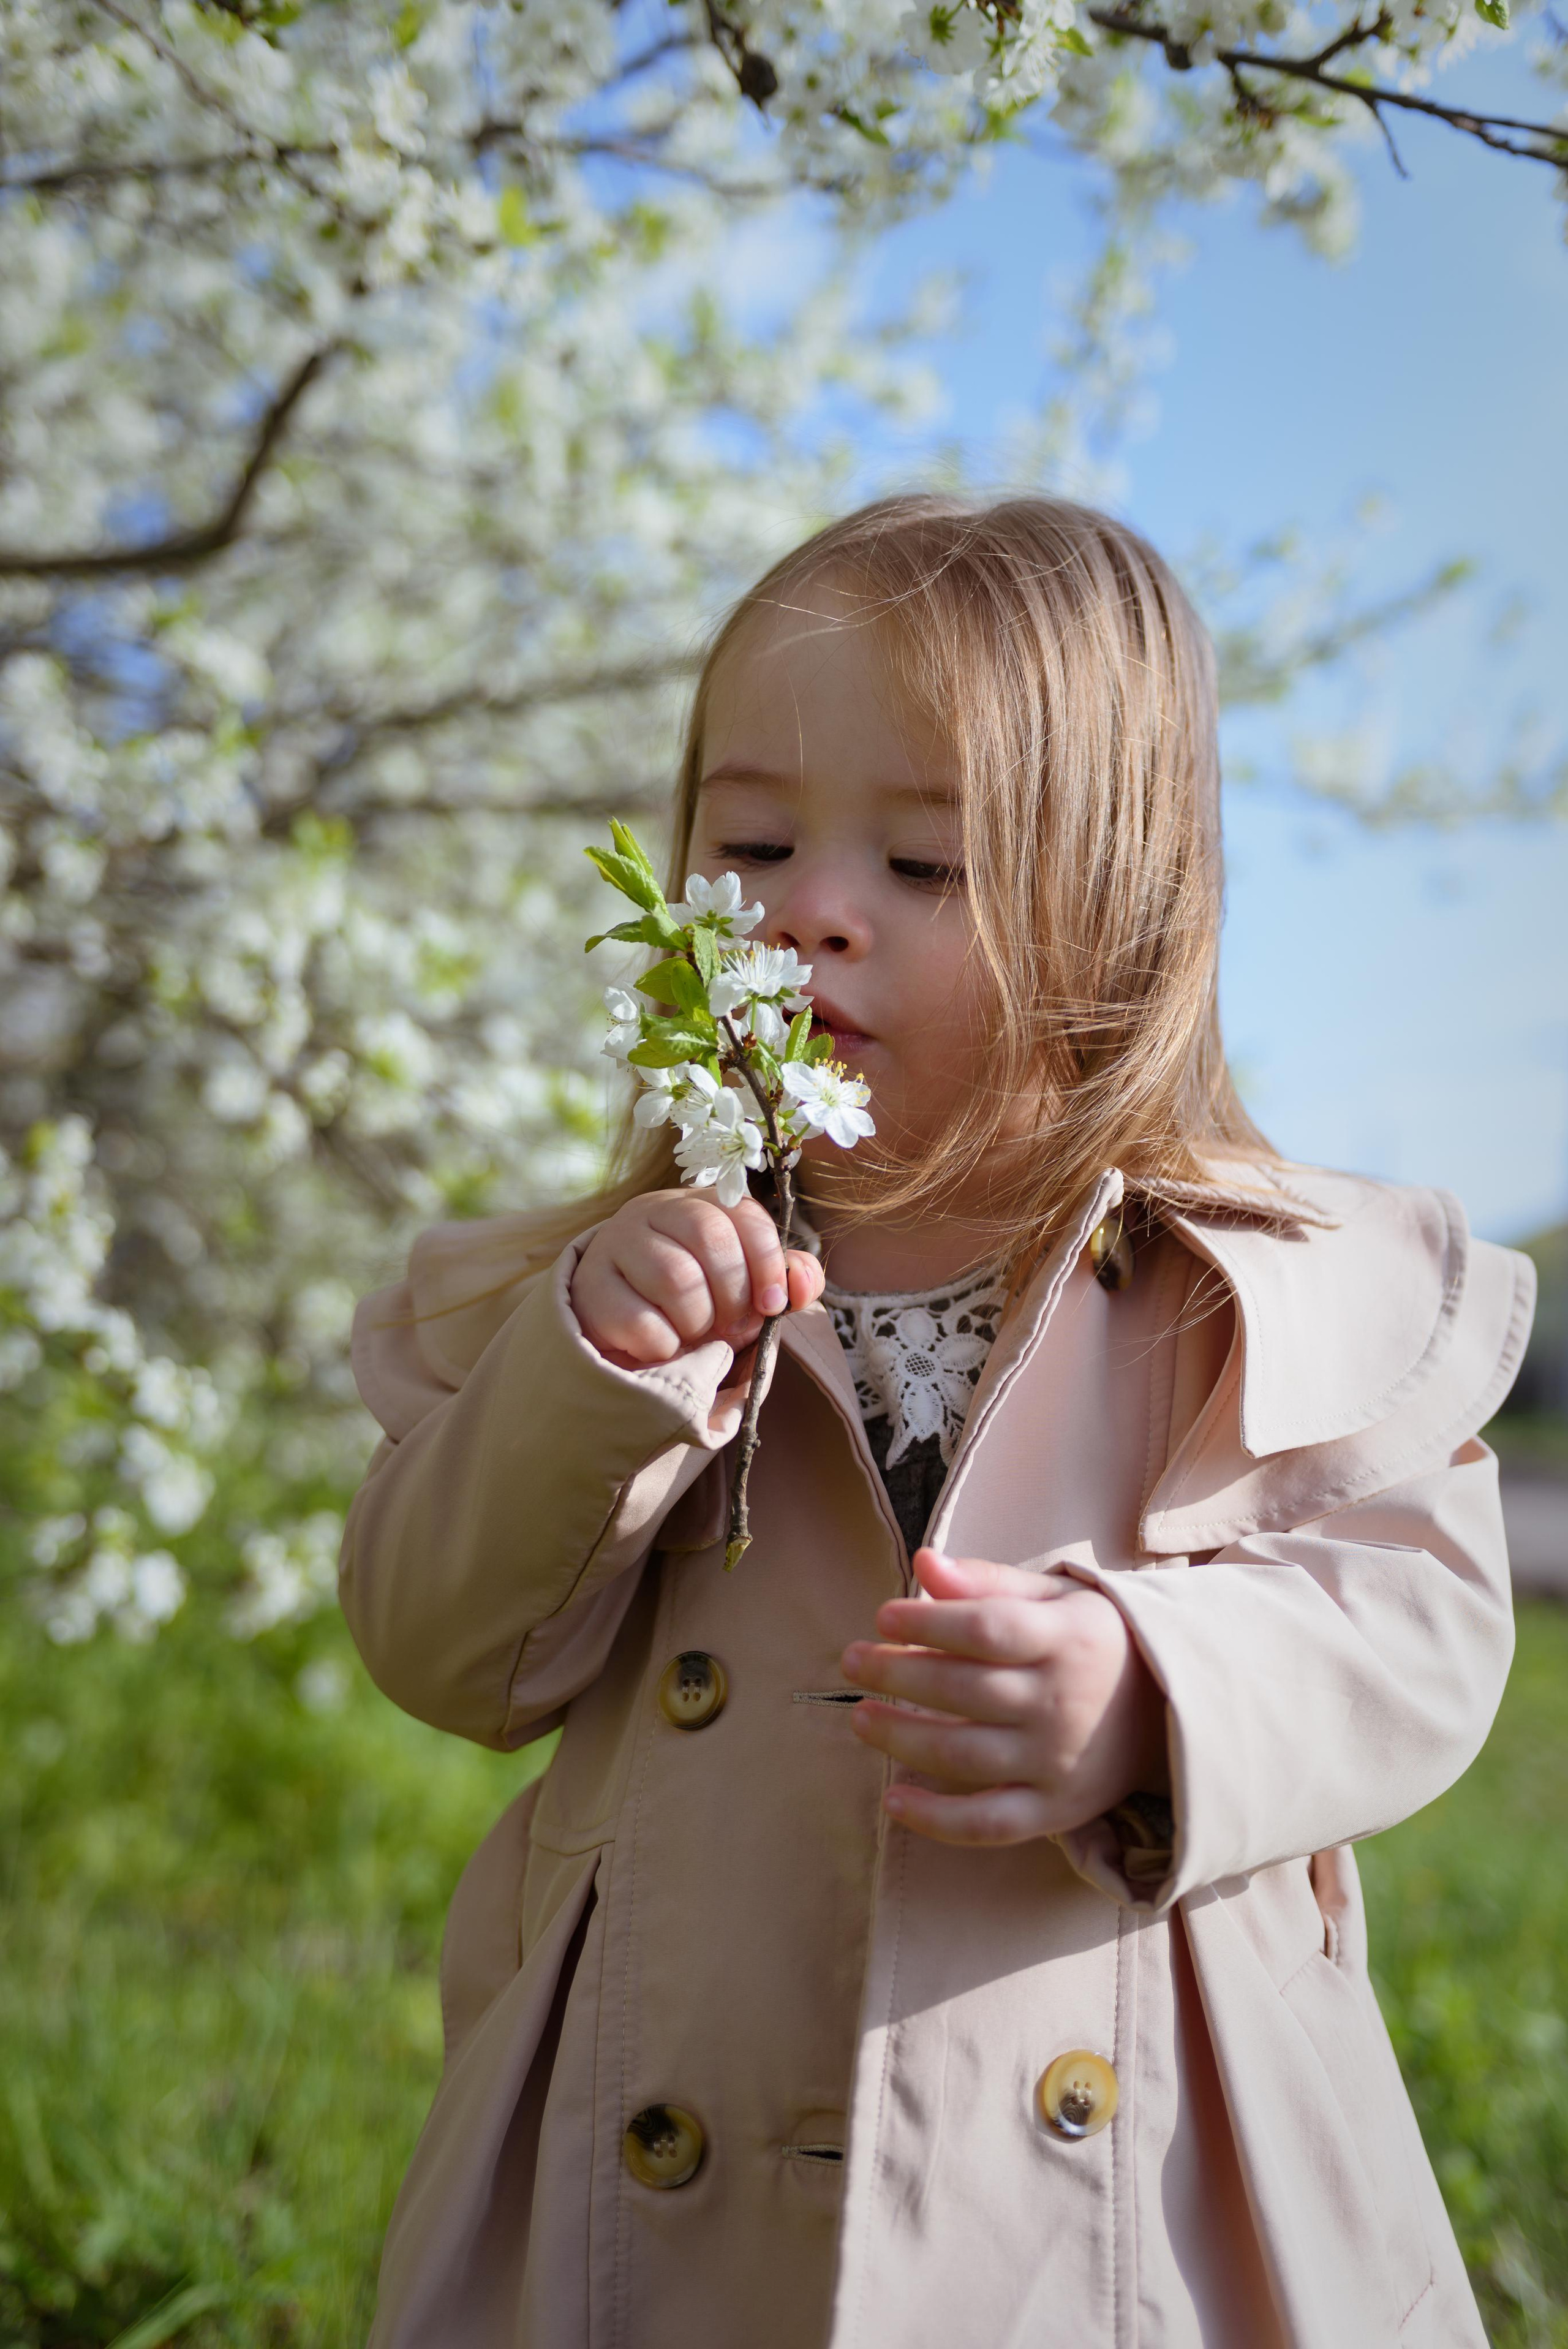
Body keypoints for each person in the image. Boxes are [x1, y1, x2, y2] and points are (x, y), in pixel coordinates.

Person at [340, 496, 1536, 2349]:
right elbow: (443, 1645)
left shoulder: (1251, 1290)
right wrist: (599, 1374)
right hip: (665, 2170)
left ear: (1114, 914)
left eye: (927, 863)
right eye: (751, 840)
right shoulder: (594, 1291)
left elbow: (1426, 1624)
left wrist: (1155, 1689)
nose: (810, 906)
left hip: (1129, 2210)